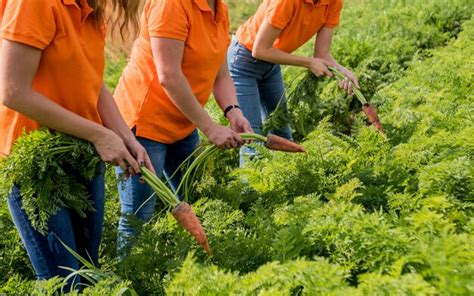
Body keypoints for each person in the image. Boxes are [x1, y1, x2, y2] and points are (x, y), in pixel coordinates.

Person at [0, 0, 152, 288]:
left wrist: (125, 136)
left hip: (82, 153)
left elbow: (92, 82)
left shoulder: (90, 8)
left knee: (88, 270)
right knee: (64, 282)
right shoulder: (35, 5)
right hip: (36, 165)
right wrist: (99, 135)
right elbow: (13, 91)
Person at [113, 0, 252, 254]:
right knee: (138, 214)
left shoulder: (217, 10)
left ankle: (194, 261)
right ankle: (128, 280)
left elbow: (220, 74)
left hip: (184, 122)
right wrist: (211, 128)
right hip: (144, 125)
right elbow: (169, 75)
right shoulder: (171, 5)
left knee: (195, 198)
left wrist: (234, 111)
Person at [227, 0, 359, 165]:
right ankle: (250, 190)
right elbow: (259, 50)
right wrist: (308, 62)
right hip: (243, 62)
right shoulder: (287, 2)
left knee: (282, 131)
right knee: (253, 140)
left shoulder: (332, 3)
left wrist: (343, 72)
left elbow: (323, 53)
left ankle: (288, 183)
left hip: (271, 62)